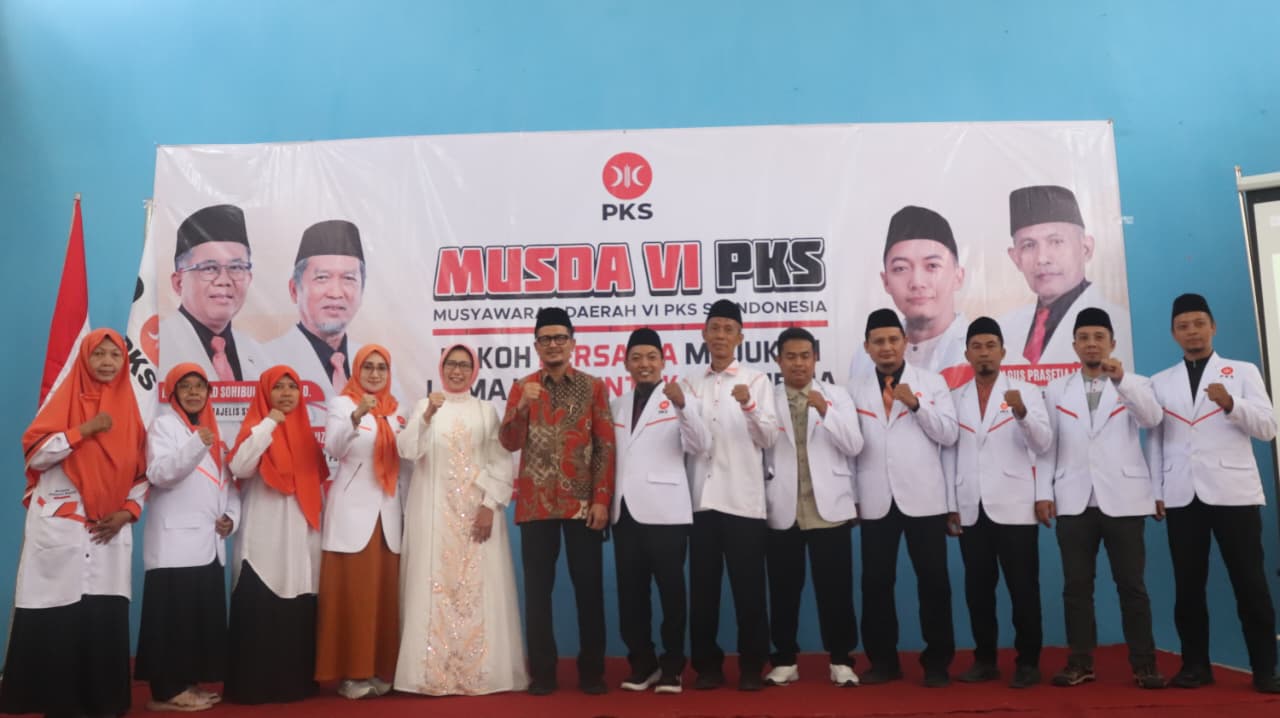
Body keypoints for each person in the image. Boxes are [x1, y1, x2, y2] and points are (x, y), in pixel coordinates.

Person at [0, 329, 148, 718]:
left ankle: (103, 702)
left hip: (108, 531)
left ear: (124, 362)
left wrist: (128, 512)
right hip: (63, 527)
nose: (106, 362)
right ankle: (58, 704)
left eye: (114, 355)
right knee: (59, 614)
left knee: (101, 613)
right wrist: (83, 430)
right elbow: (35, 455)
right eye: (99, 354)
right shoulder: (62, 402)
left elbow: (140, 473)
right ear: (84, 358)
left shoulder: (130, 411)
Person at [1146, 293, 1280, 693]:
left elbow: (1268, 427)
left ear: (1213, 327)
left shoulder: (1242, 372)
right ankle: (1195, 666)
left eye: (1199, 324)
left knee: (1250, 583)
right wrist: (1156, 490)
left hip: (1234, 494)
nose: (1192, 332)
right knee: (1188, 586)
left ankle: (1265, 669)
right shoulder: (1160, 381)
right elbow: (1156, 440)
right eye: (1183, 326)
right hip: (1182, 495)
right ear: (1173, 333)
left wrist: (1232, 404)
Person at [1042, 308, 1165, 689]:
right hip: (1073, 499)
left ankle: (1145, 665)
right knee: (1076, 587)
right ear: (1074, 345)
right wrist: (1044, 492)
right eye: (1084, 337)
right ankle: (1080, 662)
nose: (1092, 344)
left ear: (1112, 342)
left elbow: (1152, 420)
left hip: (1124, 499)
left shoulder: (1137, 383)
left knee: (1132, 586)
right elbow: (1046, 446)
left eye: (1099, 337)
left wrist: (1121, 381)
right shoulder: (1056, 389)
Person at [396, 344, 528, 695]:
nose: (457, 371)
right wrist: (427, 416)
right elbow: (407, 450)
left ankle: (480, 672)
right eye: (451, 364)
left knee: (475, 588)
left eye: (464, 365)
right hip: (434, 515)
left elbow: (500, 460)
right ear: (441, 368)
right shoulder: (424, 406)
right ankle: (430, 673)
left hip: (476, 514)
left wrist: (489, 505)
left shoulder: (486, 411)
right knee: (435, 584)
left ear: (474, 371)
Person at [500, 308, 616, 696]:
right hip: (536, 505)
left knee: (589, 589)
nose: (553, 345)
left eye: (560, 338)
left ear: (572, 343)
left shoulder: (593, 386)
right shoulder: (522, 387)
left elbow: (604, 446)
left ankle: (592, 672)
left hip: (582, 505)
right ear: (536, 346)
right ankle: (543, 673)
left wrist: (601, 499)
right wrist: (520, 407)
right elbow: (509, 443)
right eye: (546, 339)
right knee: (538, 593)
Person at [849, 308, 958, 687]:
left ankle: (937, 663)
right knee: (876, 583)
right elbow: (849, 450)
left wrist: (916, 405)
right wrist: (852, 498)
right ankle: (883, 661)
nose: (886, 347)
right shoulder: (853, 389)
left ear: (905, 342)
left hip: (924, 498)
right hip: (875, 499)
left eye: (893, 339)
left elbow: (949, 435)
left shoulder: (932, 383)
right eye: (878, 341)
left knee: (934, 582)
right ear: (867, 347)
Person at [943, 317, 1053, 689]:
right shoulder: (955, 397)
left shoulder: (1026, 392)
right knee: (978, 591)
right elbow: (949, 453)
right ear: (967, 354)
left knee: (1023, 590)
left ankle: (1028, 663)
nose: (984, 353)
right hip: (971, 507)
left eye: (991, 346)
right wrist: (951, 503)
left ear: (1003, 352)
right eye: (977, 347)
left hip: (1015, 505)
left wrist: (1022, 414)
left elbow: (1043, 443)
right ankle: (985, 660)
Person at [685, 299, 780, 692]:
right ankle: (707, 667)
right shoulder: (690, 382)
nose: (721, 335)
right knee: (703, 592)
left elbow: (769, 437)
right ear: (704, 334)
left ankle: (752, 667)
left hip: (743, 502)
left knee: (749, 591)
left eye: (728, 329)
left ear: (740, 337)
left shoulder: (757, 381)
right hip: (701, 502)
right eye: (715, 328)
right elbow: (688, 443)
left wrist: (749, 405)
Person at [135, 364, 241, 712]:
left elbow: (228, 485)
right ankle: (166, 692)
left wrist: (231, 517)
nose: (194, 392)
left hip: (209, 544)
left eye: (200, 386)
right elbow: (160, 473)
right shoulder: (164, 427)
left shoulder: (214, 432)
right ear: (173, 393)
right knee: (173, 620)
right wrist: (197, 444)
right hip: (174, 545)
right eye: (186, 386)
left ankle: (187, 683)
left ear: (209, 393)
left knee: (195, 621)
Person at [763, 327, 863, 688]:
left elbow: (854, 445)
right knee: (783, 591)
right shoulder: (767, 397)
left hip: (829, 507)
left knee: (835, 590)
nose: (798, 363)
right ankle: (785, 660)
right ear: (779, 360)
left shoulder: (837, 396)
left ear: (816, 358)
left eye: (805, 356)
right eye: (790, 356)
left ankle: (841, 660)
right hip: (782, 508)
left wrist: (826, 411)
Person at [610, 328, 708, 694]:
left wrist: (683, 407)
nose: (644, 364)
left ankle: (672, 666)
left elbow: (700, 444)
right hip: (625, 513)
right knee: (631, 595)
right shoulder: (618, 404)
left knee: (671, 594)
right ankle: (643, 664)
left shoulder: (681, 398)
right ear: (626, 364)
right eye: (636, 358)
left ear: (663, 362)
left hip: (666, 513)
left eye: (652, 357)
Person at [225, 365, 329, 704]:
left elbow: (316, 488)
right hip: (264, 537)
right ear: (265, 393)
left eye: (292, 387)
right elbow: (240, 466)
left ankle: (295, 684)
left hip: (300, 537)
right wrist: (269, 423)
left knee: (297, 606)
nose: (286, 393)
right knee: (262, 606)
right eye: (278, 387)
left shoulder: (306, 435)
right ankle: (254, 687)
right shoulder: (256, 429)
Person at [315, 345, 405, 699]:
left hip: (389, 515)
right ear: (356, 369)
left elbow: (405, 462)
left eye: (382, 367)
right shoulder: (342, 404)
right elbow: (334, 448)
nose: (375, 373)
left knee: (382, 598)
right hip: (352, 512)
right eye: (368, 366)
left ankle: (378, 669)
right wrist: (355, 417)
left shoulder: (397, 411)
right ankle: (351, 675)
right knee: (353, 597)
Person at [266, 220, 384, 426]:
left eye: (349, 279)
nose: (336, 293)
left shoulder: (379, 367)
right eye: (322, 278)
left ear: (362, 291)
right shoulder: (265, 360)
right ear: (294, 290)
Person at [999, 185, 1130, 366]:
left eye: (1056, 242)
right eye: (1029, 245)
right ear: (1015, 258)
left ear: (1086, 248)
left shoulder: (1122, 324)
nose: (1042, 258)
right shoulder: (1003, 329)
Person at [850, 205, 970, 387]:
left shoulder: (987, 350)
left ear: (958, 276)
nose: (917, 282)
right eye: (901, 268)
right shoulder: (864, 356)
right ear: (886, 281)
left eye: (932, 266)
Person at [159, 203, 268, 383]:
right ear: (178, 283)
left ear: (249, 278)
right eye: (209, 268)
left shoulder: (259, 353)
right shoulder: (156, 347)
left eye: (236, 267)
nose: (224, 280)